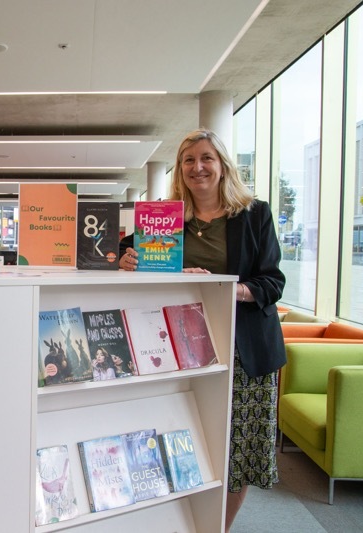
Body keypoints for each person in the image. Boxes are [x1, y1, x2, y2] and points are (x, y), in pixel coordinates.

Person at [120, 128, 286, 532]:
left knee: (237, 449)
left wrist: (231, 290)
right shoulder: (165, 219)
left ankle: (219, 528)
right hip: (180, 345)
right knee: (185, 436)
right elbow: (118, 253)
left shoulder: (254, 214)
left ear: (223, 164)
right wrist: (124, 259)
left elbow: (274, 281)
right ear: (180, 170)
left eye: (206, 158)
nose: (198, 167)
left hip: (244, 348)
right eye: (189, 160)